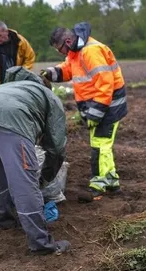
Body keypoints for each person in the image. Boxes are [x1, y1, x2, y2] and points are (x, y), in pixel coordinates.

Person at [0, 66, 70, 255]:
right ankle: (41, 244)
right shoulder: (48, 96)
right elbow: (56, 147)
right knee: (24, 181)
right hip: (10, 117)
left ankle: (3, 220)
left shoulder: (12, 87)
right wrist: (45, 177)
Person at [41, 22, 128, 200]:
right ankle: (111, 180)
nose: (61, 53)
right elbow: (68, 70)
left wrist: (96, 112)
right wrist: (51, 73)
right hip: (98, 105)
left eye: (60, 49)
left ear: (67, 40)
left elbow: (105, 83)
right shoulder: (76, 52)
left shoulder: (91, 51)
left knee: (100, 146)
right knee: (102, 145)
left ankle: (100, 183)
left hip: (107, 107)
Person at [0, 20, 36, 88]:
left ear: (6, 32)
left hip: (20, 82)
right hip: (0, 84)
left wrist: (23, 74)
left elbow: (30, 57)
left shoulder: (20, 41)